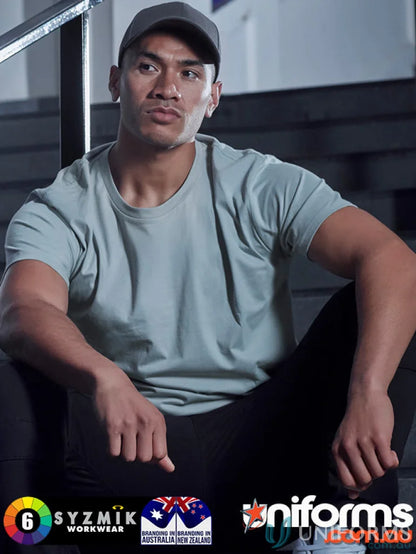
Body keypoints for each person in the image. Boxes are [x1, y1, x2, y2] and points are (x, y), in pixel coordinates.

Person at [0, 2, 416, 553]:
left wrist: (368, 391)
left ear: (213, 97)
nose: (168, 88)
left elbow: (389, 256)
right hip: (143, 450)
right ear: (115, 82)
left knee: (384, 304)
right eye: (148, 66)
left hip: (269, 441)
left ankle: (334, 530)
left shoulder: (258, 182)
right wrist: (104, 377)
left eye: (190, 73)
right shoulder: (61, 206)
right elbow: (24, 309)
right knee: (13, 384)